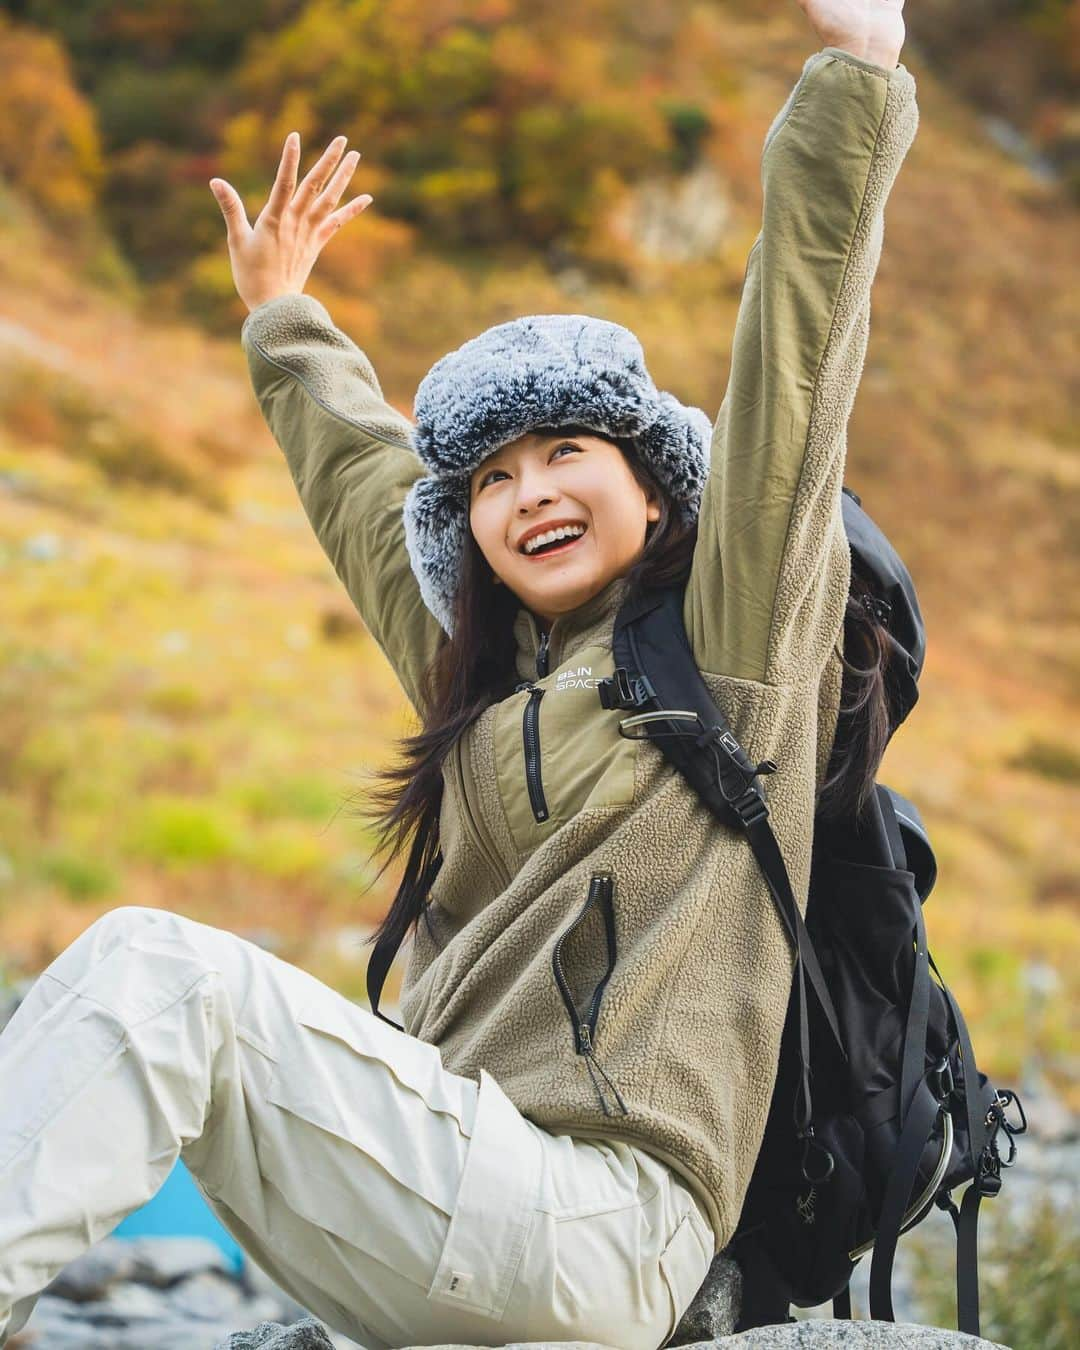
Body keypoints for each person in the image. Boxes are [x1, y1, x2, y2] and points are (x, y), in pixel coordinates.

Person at [0, 4, 918, 1347]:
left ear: (657, 490)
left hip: (604, 1219)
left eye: (564, 455)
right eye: (493, 478)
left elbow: (796, 360)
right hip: (465, 1188)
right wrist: (282, 315)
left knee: (162, 974)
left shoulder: (732, 652)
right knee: (153, 1007)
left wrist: (858, 77)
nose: (526, 491)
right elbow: (372, 492)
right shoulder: (488, 680)